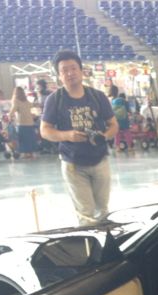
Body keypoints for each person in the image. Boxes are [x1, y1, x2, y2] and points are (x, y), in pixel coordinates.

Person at [40, 49, 118, 226]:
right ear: (59, 75)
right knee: (86, 214)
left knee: (104, 211)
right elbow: (45, 130)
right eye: (64, 70)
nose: (70, 73)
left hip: (100, 160)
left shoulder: (97, 96)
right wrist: (67, 135)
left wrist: (104, 136)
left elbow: (113, 124)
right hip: (73, 164)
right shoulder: (54, 100)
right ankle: (89, 242)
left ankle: (107, 242)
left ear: (81, 71)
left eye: (73, 68)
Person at [10, 86, 37, 158]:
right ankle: (30, 153)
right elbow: (31, 106)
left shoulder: (16, 101)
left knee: (23, 140)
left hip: (22, 123)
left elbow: (13, 110)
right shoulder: (25, 100)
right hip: (29, 122)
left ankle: (26, 153)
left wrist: (9, 115)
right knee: (30, 139)